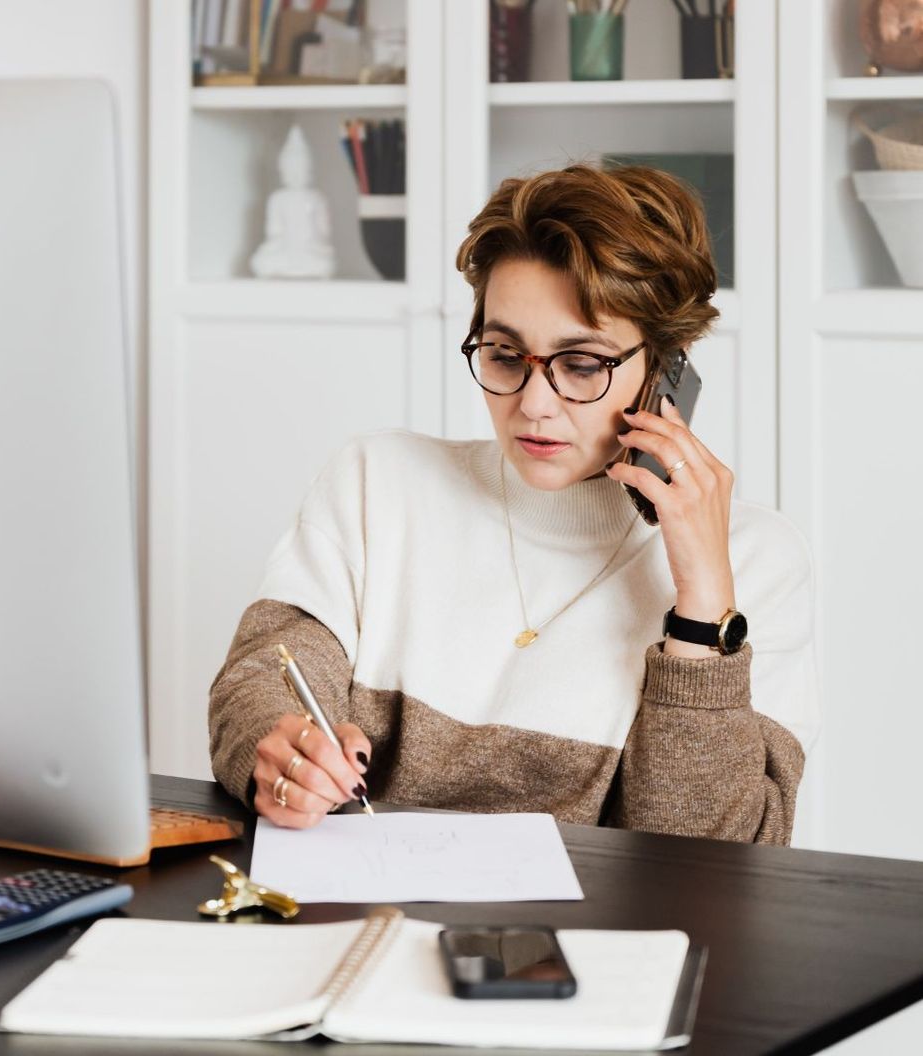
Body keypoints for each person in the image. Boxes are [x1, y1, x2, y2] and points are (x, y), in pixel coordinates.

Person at [209, 164, 818, 845]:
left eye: (581, 365)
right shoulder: (377, 482)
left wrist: (703, 608)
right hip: (360, 902)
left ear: (667, 367)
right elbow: (261, 682)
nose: (533, 405)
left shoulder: (756, 561)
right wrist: (281, 749)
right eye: (504, 355)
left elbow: (708, 859)